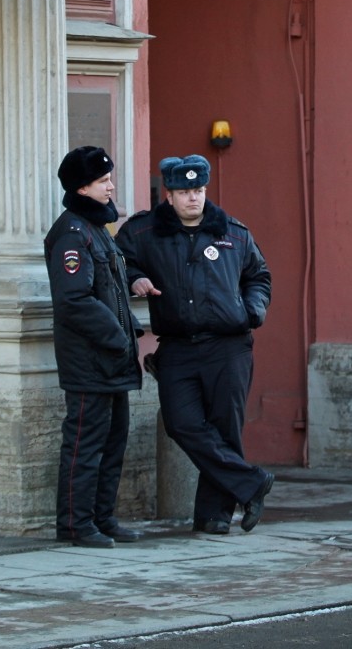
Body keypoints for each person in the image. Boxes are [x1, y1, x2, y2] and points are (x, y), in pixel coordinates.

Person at [117, 154, 275, 534]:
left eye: (199, 190)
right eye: (185, 191)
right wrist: (135, 277)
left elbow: (259, 276)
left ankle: (214, 516)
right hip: (178, 346)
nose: (193, 198)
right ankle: (251, 483)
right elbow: (116, 261)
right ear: (168, 194)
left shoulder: (234, 233)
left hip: (229, 346)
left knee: (225, 428)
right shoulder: (144, 232)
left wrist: (251, 311)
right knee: (181, 423)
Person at [46, 145, 145, 548]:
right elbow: (75, 300)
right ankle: (75, 523)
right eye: (103, 181)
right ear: (82, 187)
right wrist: (117, 337)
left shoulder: (96, 231)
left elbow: (111, 293)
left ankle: (102, 517)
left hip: (112, 358)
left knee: (113, 440)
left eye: (109, 179)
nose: (111, 186)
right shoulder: (71, 234)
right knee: (85, 443)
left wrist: (131, 326)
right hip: (91, 360)